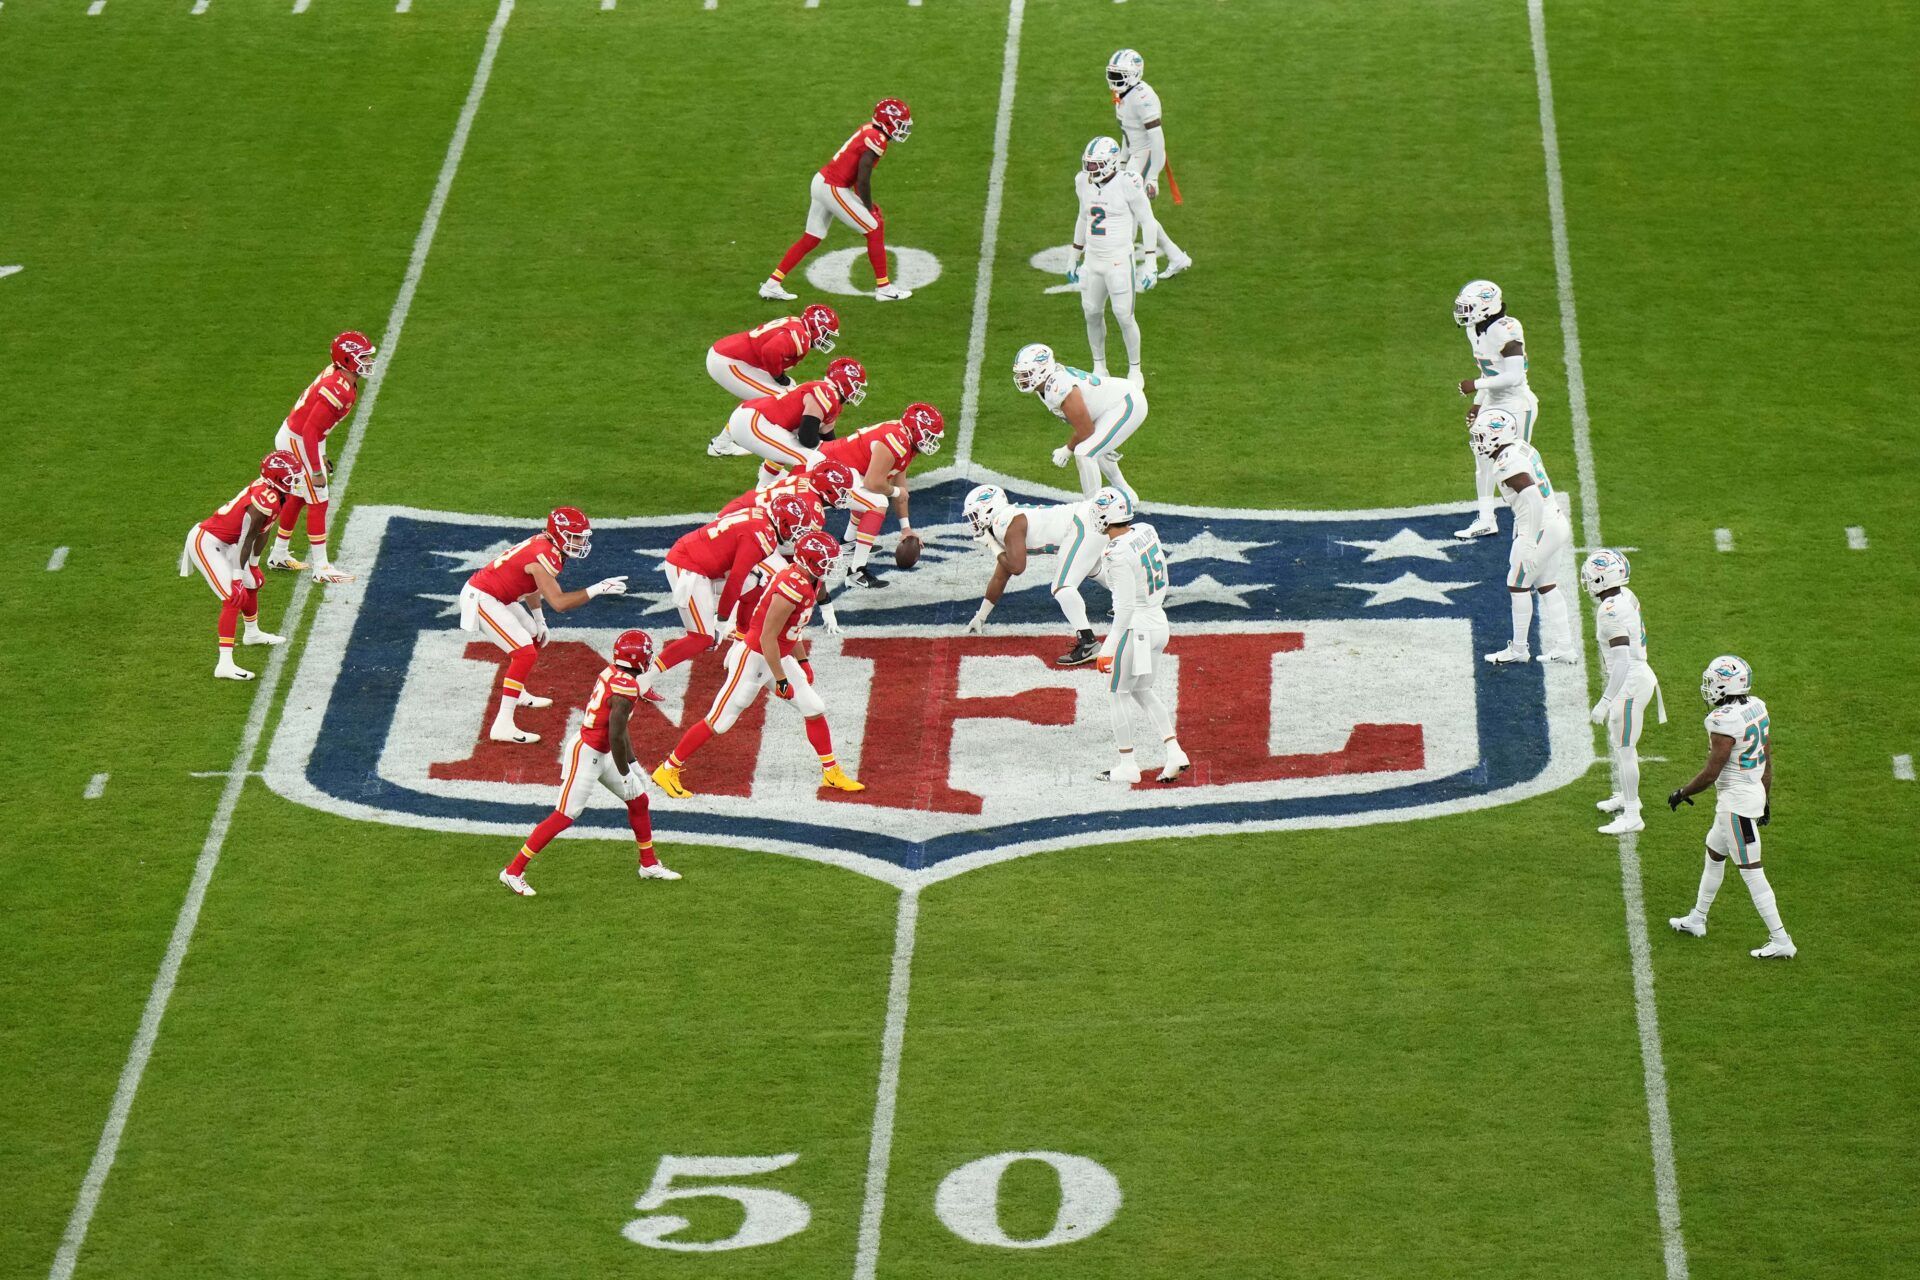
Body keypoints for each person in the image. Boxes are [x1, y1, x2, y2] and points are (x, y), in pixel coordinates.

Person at [652, 530, 864, 798]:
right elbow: (767, 636)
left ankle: (831, 772)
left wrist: (802, 659)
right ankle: (668, 769)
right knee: (720, 721)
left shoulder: (811, 580)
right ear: (810, 561)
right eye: (827, 562)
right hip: (754, 657)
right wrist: (782, 678)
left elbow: (792, 630)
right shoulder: (793, 586)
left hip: (776, 655)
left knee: (814, 708)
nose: (832, 567)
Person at [499, 630, 678, 896]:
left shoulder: (616, 674)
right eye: (646, 653)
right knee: (564, 815)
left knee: (639, 801)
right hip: (588, 753)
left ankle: (648, 863)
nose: (649, 657)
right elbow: (615, 734)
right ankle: (513, 871)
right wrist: (626, 773)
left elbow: (619, 730)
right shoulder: (626, 687)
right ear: (636, 657)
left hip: (604, 752)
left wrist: (634, 764)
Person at [456, 508, 628, 745]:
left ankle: (518, 693)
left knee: (533, 635)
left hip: (499, 595)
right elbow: (559, 603)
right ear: (558, 534)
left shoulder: (549, 545)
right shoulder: (544, 554)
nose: (581, 542)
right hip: (483, 597)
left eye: (582, 537)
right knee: (524, 653)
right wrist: (596, 589)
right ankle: (503, 724)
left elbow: (532, 585)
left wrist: (538, 619)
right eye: (575, 537)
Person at [1666, 656, 1793, 959]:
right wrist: (1766, 798)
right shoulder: (1757, 707)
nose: (1708, 687)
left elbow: (1711, 773)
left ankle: (1781, 940)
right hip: (1748, 795)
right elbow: (1766, 757)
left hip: (1735, 805)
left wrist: (1682, 793)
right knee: (1714, 853)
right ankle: (1697, 918)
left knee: (1752, 873)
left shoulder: (1723, 721)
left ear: (1726, 683)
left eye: (1712, 681)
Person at [760, 100, 915, 302]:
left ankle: (772, 284)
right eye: (900, 123)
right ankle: (884, 287)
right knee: (875, 227)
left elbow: (859, 177)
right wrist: (869, 207)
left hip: (822, 181)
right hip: (832, 187)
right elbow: (863, 178)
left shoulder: (870, 130)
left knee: (811, 237)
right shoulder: (877, 139)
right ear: (888, 122)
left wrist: (866, 203)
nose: (903, 128)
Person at [1091, 487, 1189, 784]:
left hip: (1136, 629)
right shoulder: (1146, 530)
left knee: (1117, 693)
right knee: (1142, 691)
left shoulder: (1115, 552)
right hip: (1158, 621)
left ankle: (1128, 765)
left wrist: (1108, 646)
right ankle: (1174, 752)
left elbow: (1124, 607)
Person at [265, 329, 375, 582]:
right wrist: (315, 471)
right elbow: (310, 430)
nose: (368, 362)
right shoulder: (339, 390)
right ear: (348, 360)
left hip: (300, 436)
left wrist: (321, 456)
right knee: (319, 498)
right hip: (300, 439)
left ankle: (279, 554)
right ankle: (322, 568)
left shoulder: (341, 378)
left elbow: (316, 429)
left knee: (300, 496)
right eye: (363, 357)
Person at [180, 450, 301, 680]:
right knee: (233, 597)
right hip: (208, 541)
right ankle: (224, 664)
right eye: (290, 477)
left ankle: (252, 633)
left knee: (252, 583)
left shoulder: (275, 495)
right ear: (276, 479)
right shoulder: (264, 500)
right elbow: (247, 537)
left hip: (229, 542)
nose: (295, 481)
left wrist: (254, 566)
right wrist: (237, 578)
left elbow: (262, 532)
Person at [962, 483, 1106, 667]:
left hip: (1082, 523)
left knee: (1062, 587)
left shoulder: (1003, 522)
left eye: (975, 515)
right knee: (1094, 569)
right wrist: (980, 616)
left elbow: (1016, 567)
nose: (973, 522)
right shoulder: (1004, 522)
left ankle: (1088, 643)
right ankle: (1138, 599)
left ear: (989, 508)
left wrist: (991, 545)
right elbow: (1001, 575)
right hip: (1086, 519)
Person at [1471, 409, 1574, 665]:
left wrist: (1528, 541)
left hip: (1539, 527)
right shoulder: (1520, 447)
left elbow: (1533, 500)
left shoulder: (1507, 463)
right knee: (1546, 584)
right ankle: (1565, 647)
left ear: (1497, 437)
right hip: (1556, 522)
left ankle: (1519, 649)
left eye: (1482, 436)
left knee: (1517, 585)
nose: (1477, 442)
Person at [1582, 550, 1666, 834]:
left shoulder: (1609, 612)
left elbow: (1621, 661)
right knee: (1621, 745)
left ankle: (1633, 814)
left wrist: (1605, 701)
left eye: (1592, 575)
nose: (1588, 580)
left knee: (1626, 749)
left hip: (1629, 681)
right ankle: (1627, 796)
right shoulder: (1624, 595)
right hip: (1635, 676)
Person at [819, 402, 944, 588]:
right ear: (915, 428)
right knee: (877, 502)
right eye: (928, 434)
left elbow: (901, 489)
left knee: (869, 496)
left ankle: (848, 543)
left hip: (839, 470)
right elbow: (873, 483)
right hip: (826, 470)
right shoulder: (897, 441)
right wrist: (894, 491)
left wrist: (906, 529)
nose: (930, 440)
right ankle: (856, 572)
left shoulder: (905, 440)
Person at [1067, 136, 1159, 387]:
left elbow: (1149, 221)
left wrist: (1150, 262)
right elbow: (1083, 217)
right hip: (1093, 259)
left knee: (1123, 315)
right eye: (1088, 164)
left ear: (1109, 163)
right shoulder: (1082, 182)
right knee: (1092, 313)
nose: (1090, 170)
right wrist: (1074, 255)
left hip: (1119, 259)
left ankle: (1135, 370)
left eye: (1095, 165)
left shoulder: (1127, 183)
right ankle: (1099, 366)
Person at [1452, 280, 1540, 538]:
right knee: (1483, 458)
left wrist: (1474, 385)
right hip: (1493, 400)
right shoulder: (1475, 330)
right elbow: (1489, 369)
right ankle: (1487, 519)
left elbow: (1514, 375)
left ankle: (1530, 520)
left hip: (1515, 403)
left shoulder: (1506, 330)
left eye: (1469, 307)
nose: (1463, 313)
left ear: (1486, 307)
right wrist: (1479, 402)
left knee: (1515, 465)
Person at [1011, 342, 1144, 503]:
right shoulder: (1047, 384)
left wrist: (1067, 449)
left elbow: (1086, 430)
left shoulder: (1058, 387)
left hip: (1126, 403)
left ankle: (1092, 508)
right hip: (1111, 406)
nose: (1022, 378)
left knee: (1084, 452)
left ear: (1042, 370)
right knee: (1091, 446)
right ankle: (1127, 494)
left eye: (1027, 373)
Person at [1105, 48, 1193, 277]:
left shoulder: (1143, 98)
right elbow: (1128, 133)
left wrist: (1153, 175)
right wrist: (1122, 162)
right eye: (1112, 74)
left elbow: (1157, 140)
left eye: (1118, 75)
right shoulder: (1123, 95)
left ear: (1134, 74)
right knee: (1140, 212)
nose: (1113, 80)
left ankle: (1124, 264)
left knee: (1131, 211)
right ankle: (1176, 257)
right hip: (1134, 156)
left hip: (1144, 156)